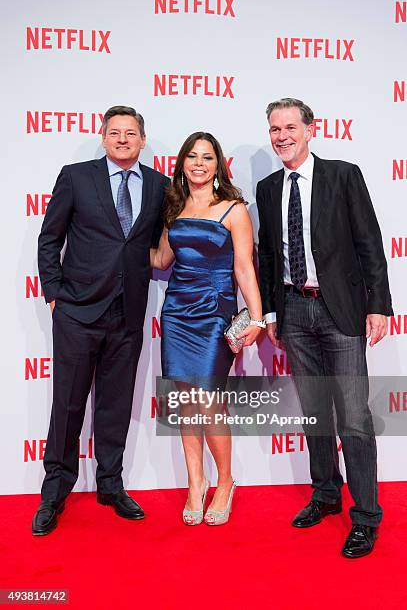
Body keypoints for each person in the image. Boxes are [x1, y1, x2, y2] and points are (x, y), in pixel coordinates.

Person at [257, 98, 393, 558]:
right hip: (294, 311)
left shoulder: (343, 174)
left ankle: (367, 517)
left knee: (354, 416)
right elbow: (269, 256)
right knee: (315, 412)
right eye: (275, 129)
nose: (282, 137)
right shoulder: (267, 186)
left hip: (341, 311)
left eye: (290, 127)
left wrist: (378, 305)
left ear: (311, 130)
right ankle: (326, 494)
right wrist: (273, 313)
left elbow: (370, 241)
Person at [33, 106, 169, 535]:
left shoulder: (159, 185)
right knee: (68, 405)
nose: (123, 139)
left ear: (143, 140)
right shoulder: (76, 176)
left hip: (127, 313)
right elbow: (50, 238)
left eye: (131, 133)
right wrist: (55, 296)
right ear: (103, 137)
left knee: (115, 405)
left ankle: (111, 484)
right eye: (115, 133)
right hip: (76, 311)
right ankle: (55, 490)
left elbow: (153, 244)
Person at [151, 132, 264, 525]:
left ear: (218, 165)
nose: (199, 163)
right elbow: (163, 258)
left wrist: (257, 317)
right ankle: (195, 483)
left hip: (215, 313)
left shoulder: (234, 209)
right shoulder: (174, 207)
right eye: (192, 157)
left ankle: (226, 481)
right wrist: (111, 245)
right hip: (177, 313)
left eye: (208, 157)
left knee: (210, 400)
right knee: (185, 401)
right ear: (182, 162)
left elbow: (244, 268)